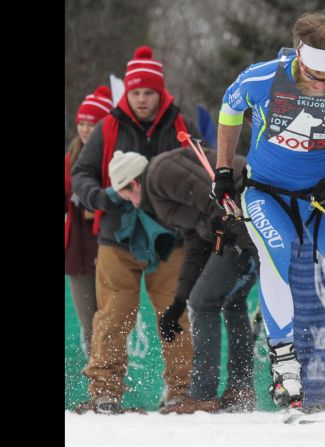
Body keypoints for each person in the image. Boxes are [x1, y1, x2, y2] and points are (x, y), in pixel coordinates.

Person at [212, 11, 325, 412]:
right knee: (275, 255)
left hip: (324, 199)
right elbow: (230, 111)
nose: (321, 84)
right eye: (314, 75)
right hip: (267, 194)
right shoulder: (263, 77)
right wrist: (224, 171)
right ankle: (284, 362)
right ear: (299, 56)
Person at [71, 46, 198, 414]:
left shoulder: (180, 125)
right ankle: (105, 391)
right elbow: (80, 175)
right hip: (116, 238)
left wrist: (164, 200)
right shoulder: (108, 125)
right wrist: (105, 196)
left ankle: (179, 391)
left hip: (168, 240)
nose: (142, 99)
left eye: (149, 92)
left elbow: (197, 175)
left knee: (174, 316)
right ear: (127, 92)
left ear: (160, 92)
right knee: (112, 316)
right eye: (136, 92)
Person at [107, 147, 260, 414]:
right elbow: (196, 242)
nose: (129, 203)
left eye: (125, 196)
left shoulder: (160, 173)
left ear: (132, 182)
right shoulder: (158, 197)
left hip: (244, 222)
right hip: (242, 225)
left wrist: (242, 241)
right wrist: (179, 301)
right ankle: (240, 390)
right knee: (230, 301)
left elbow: (214, 196)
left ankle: (202, 395)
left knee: (203, 303)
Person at [66, 85, 113, 358]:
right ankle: (96, 383)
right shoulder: (68, 160)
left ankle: (112, 382)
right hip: (78, 251)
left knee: (108, 321)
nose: (85, 129)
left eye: (91, 123)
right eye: (81, 123)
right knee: (88, 323)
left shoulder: (113, 159)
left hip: (109, 246)